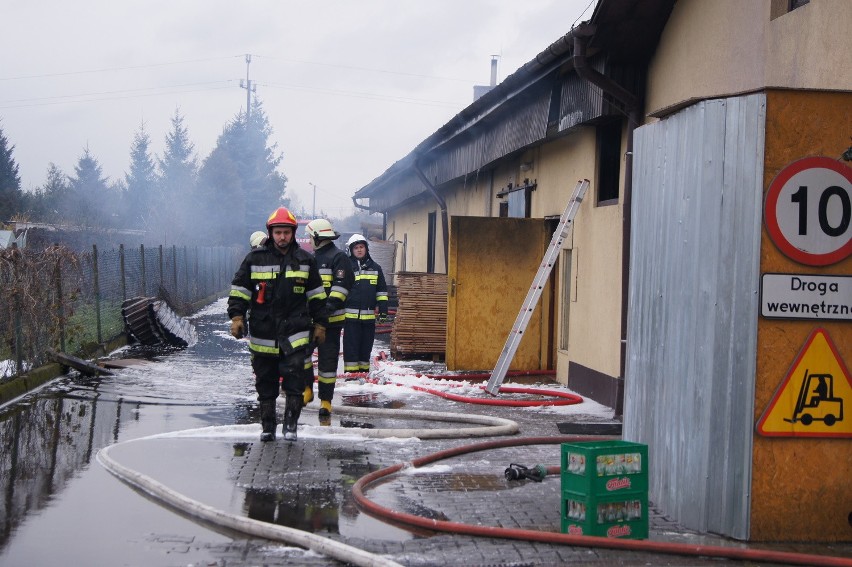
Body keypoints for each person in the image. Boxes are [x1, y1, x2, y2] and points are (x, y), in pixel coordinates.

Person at [228, 206, 328, 442]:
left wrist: (321, 324)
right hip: (263, 334)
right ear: (270, 233)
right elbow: (240, 290)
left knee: (294, 382)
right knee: (265, 383)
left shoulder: (305, 261)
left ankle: (291, 426)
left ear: (293, 233)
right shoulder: (254, 259)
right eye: (278, 232)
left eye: (286, 232)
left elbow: (316, 296)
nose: (282, 237)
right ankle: (267, 427)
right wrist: (237, 316)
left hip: (295, 333)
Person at [303, 218, 354, 418]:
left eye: (309, 236)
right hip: (309, 322)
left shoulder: (338, 257)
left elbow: (341, 287)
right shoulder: (309, 259)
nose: (308, 240)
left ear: (317, 237)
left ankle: (326, 402)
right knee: (302, 356)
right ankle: (307, 390)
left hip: (330, 324)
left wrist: (326, 310)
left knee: (327, 363)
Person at [343, 234, 388, 374]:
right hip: (350, 319)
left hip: (368, 319)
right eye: (356, 248)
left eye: (362, 247)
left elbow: (381, 292)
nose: (359, 250)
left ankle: (363, 374)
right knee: (351, 348)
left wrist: (383, 311)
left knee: (365, 348)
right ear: (351, 250)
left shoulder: (376, 268)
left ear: (366, 249)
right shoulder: (345, 267)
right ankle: (351, 376)